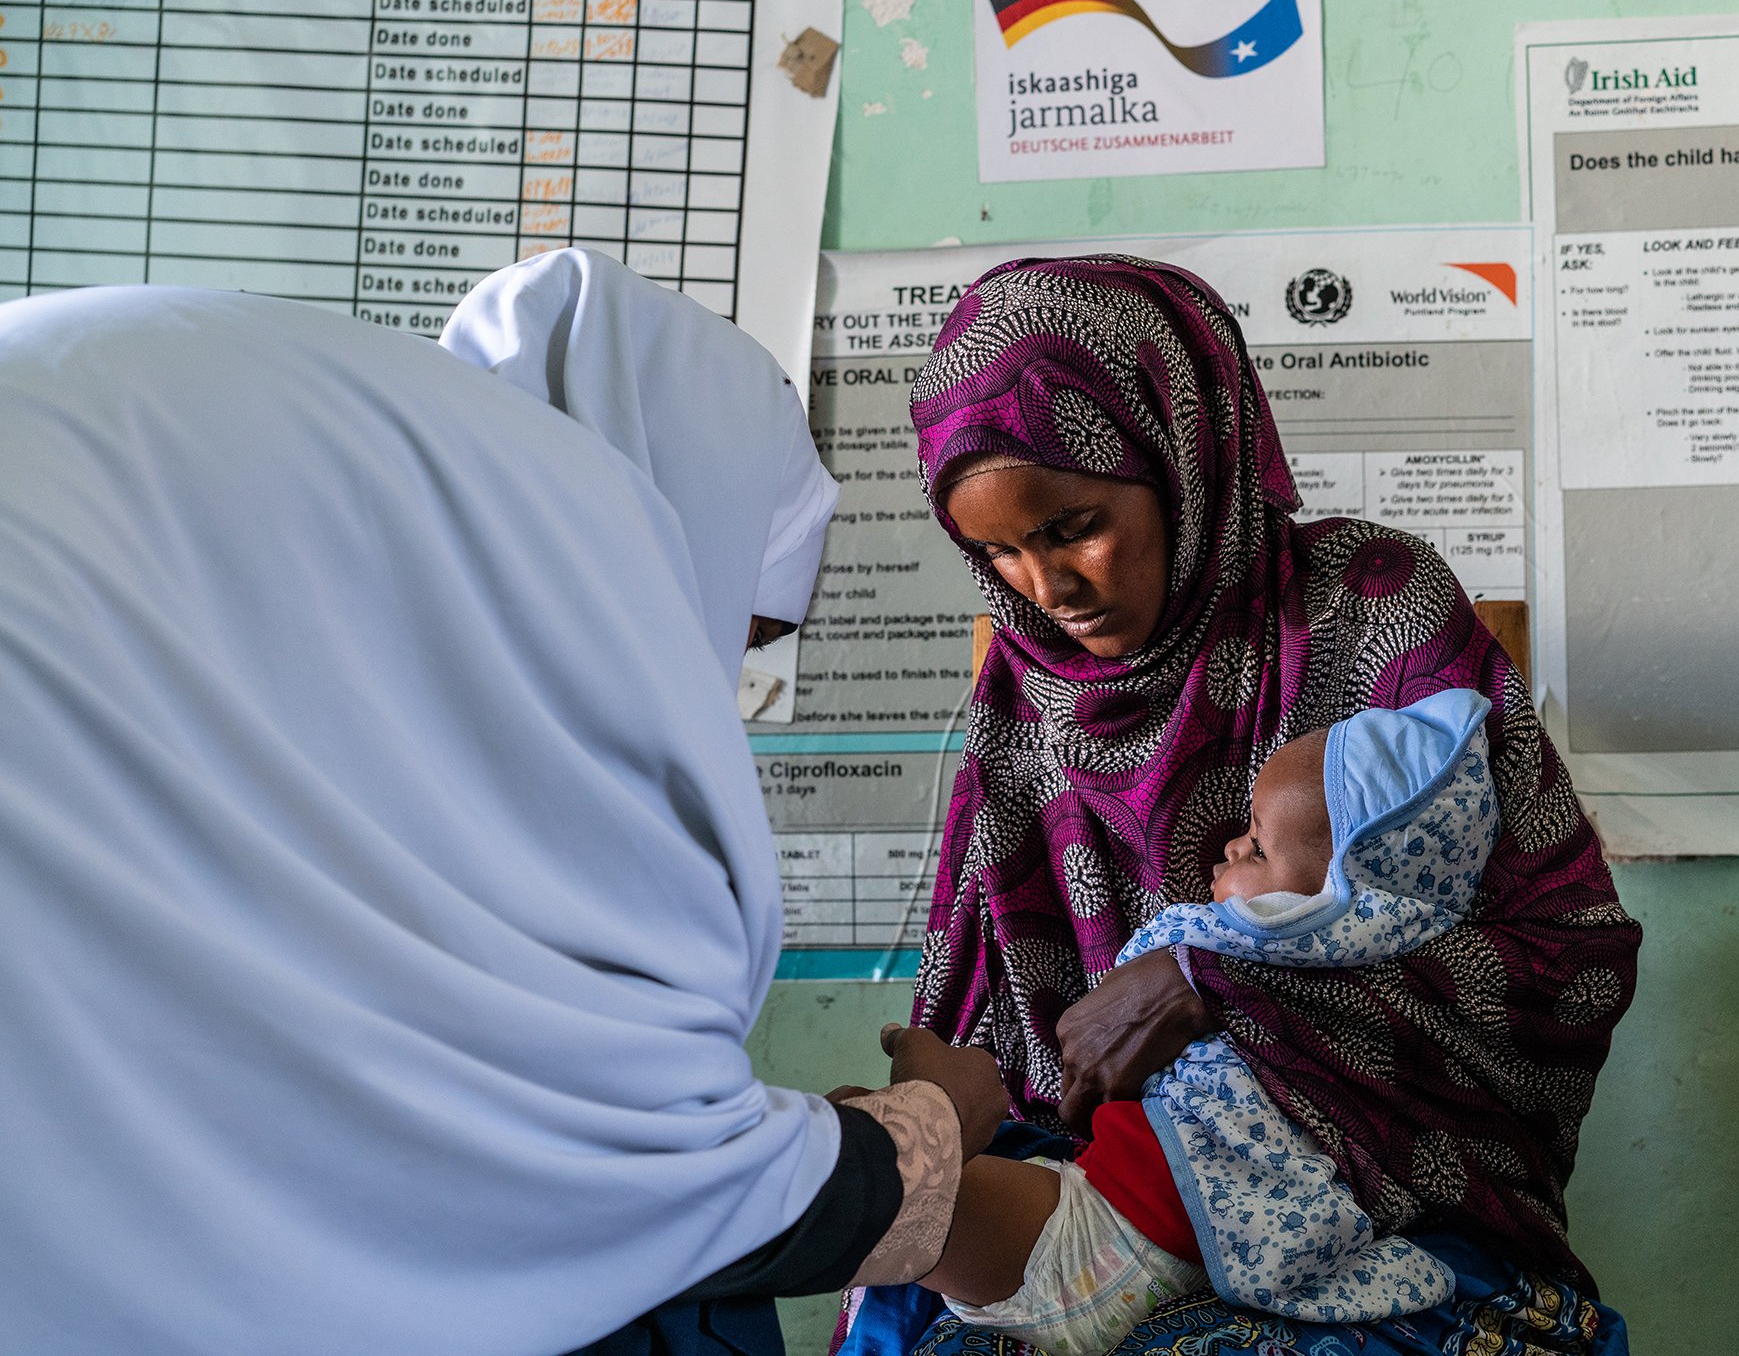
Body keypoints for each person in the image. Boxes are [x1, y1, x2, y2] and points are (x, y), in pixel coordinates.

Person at [0, 251, 1007, 1356]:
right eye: (727, 628)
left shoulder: (298, 498)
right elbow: (596, 1198)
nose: (710, 689)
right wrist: (932, 1126)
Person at [842, 255, 1641, 1355]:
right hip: (1098, 1199)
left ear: (1184, 457)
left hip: (1384, 1196)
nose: (1046, 591)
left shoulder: (1376, 610)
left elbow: (1568, 961)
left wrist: (1215, 975)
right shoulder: (1023, 699)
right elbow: (997, 1046)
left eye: (1074, 525)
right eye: (996, 553)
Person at [914, 692, 1497, 1356]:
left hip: (1118, 1232)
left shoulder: (1237, 942)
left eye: (1256, 848)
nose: (1229, 845)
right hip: (1145, 1223)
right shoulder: (1416, 984)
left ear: (1336, 900)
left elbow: (1132, 972)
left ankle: (914, 1126)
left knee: (898, 1197)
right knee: (897, 1196)